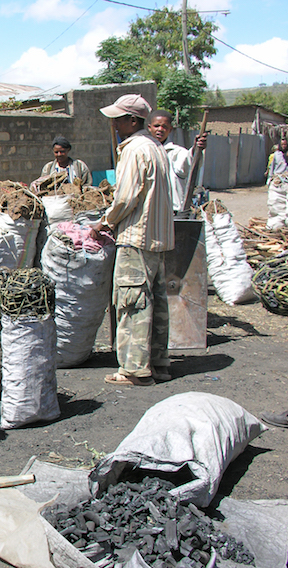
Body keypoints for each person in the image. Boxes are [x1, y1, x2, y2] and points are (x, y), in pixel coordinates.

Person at [91, 94, 173, 387]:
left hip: (136, 236)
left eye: (118, 118)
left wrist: (104, 223)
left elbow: (126, 196)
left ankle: (135, 370)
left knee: (132, 302)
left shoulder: (135, 149)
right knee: (156, 303)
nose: (113, 124)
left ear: (133, 121)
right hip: (158, 238)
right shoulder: (156, 148)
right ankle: (159, 364)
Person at [147, 109, 208, 212]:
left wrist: (197, 149)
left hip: (172, 212)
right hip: (150, 211)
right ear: (149, 127)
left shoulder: (177, 153)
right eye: (156, 126)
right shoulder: (144, 152)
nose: (160, 129)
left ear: (170, 129)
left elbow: (189, 162)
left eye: (164, 127)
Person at [265, 138, 288, 230]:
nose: (284, 146)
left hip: (286, 182)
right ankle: (275, 225)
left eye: (285, 145)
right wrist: (269, 179)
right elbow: (272, 167)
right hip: (277, 183)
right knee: (274, 204)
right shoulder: (276, 155)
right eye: (282, 144)